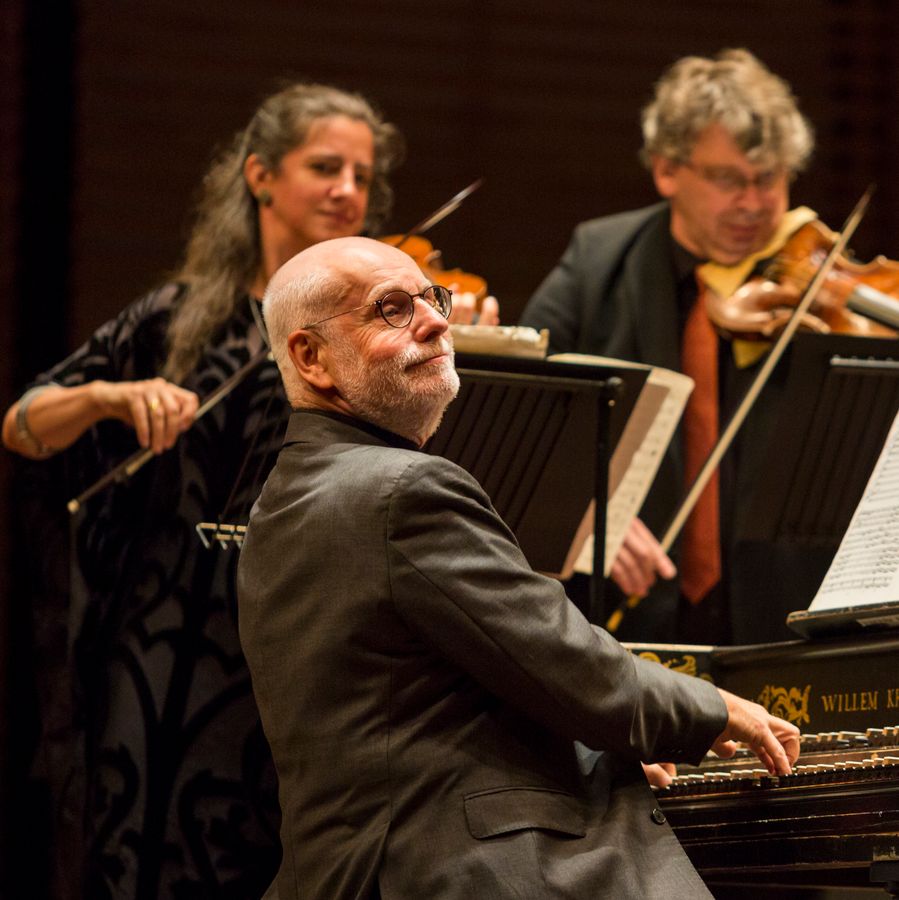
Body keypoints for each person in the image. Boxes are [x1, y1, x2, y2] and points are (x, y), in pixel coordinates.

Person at [237, 235, 800, 899]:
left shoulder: (282, 500)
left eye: (430, 297)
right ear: (310, 356)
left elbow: (420, 706)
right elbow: (566, 665)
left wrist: (587, 757)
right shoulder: (404, 490)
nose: (437, 321)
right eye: (391, 309)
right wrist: (713, 709)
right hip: (452, 873)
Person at [2, 83, 413, 900]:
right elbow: (22, 422)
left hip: (292, 638)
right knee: (140, 848)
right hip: (158, 644)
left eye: (362, 176)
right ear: (260, 177)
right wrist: (112, 398)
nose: (348, 191)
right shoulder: (175, 319)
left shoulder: (366, 332)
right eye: (324, 167)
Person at [519, 48, 817, 645]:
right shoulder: (596, 264)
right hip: (623, 622)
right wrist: (584, 512)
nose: (755, 204)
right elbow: (525, 421)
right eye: (729, 179)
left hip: (781, 617)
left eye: (771, 178)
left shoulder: (812, 281)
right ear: (667, 170)